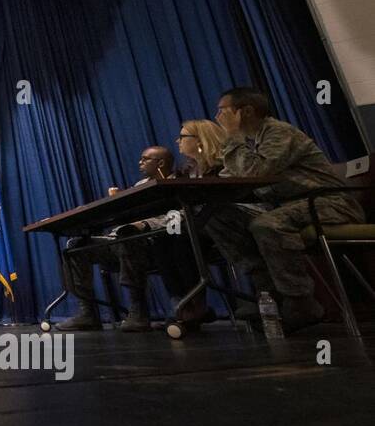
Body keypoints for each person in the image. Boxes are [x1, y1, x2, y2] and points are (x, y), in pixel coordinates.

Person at [195, 86, 363, 334]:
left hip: (330, 203)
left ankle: (300, 301)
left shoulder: (278, 133)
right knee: (215, 215)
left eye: (223, 111)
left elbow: (255, 173)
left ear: (246, 111)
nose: (218, 117)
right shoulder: (249, 141)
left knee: (267, 225)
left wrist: (230, 138)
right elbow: (233, 179)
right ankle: (265, 289)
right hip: (289, 207)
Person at [56, 146, 186, 332]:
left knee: (129, 236)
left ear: (161, 163)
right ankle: (88, 313)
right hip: (121, 239)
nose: (140, 162)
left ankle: (138, 311)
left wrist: (145, 225)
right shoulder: (140, 185)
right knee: (76, 247)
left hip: (157, 242)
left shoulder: (176, 183)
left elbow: (178, 217)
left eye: (145, 159)